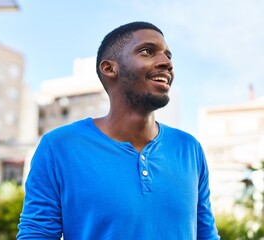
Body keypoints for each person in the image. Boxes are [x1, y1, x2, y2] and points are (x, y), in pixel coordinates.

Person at [17, 21, 220, 240]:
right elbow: (37, 235)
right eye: (147, 52)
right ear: (109, 68)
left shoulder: (189, 148)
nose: (166, 63)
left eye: (168, 56)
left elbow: (206, 235)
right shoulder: (58, 147)